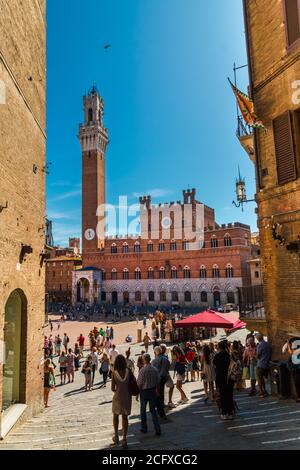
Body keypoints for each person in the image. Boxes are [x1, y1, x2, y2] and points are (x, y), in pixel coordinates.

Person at [137, 354, 161, 437]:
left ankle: (144, 427)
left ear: (144, 360)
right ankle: (157, 429)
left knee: (143, 410)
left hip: (144, 392)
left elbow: (139, 383)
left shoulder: (142, 370)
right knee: (153, 410)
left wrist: (137, 393)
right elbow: (158, 380)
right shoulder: (154, 369)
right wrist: (157, 390)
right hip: (152, 391)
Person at [111, 354, 132, 449]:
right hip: (127, 396)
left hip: (118, 396)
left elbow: (112, 388)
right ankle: (124, 439)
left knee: (115, 415)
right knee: (125, 417)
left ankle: (116, 435)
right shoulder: (129, 371)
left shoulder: (114, 373)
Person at [213, 341, 234, 420]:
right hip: (229, 378)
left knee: (222, 396)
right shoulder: (229, 355)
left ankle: (224, 413)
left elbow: (214, 364)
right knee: (229, 395)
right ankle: (230, 413)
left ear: (219, 347)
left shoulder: (217, 356)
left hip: (221, 378)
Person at [152, 345, 170, 419]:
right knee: (161, 393)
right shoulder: (165, 359)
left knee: (158, 394)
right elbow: (169, 366)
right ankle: (161, 408)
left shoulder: (154, 361)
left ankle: (160, 410)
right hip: (164, 378)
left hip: (157, 379)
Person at [256, 333, 271, 398]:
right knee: (264, 379)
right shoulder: (267, 344)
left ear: (258, 338)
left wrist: (255, 356)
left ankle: (261, 392)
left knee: (260, 379)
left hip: (261, 364)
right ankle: (265, 391)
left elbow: (258, 355)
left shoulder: (260, 345)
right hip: (267, 364)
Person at [286, 338, 300, 403]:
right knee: (297, 384)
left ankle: (299, 397)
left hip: (297, 370)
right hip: (296, 370)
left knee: (297, 384)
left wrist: (288, 344)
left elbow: (290, 352)